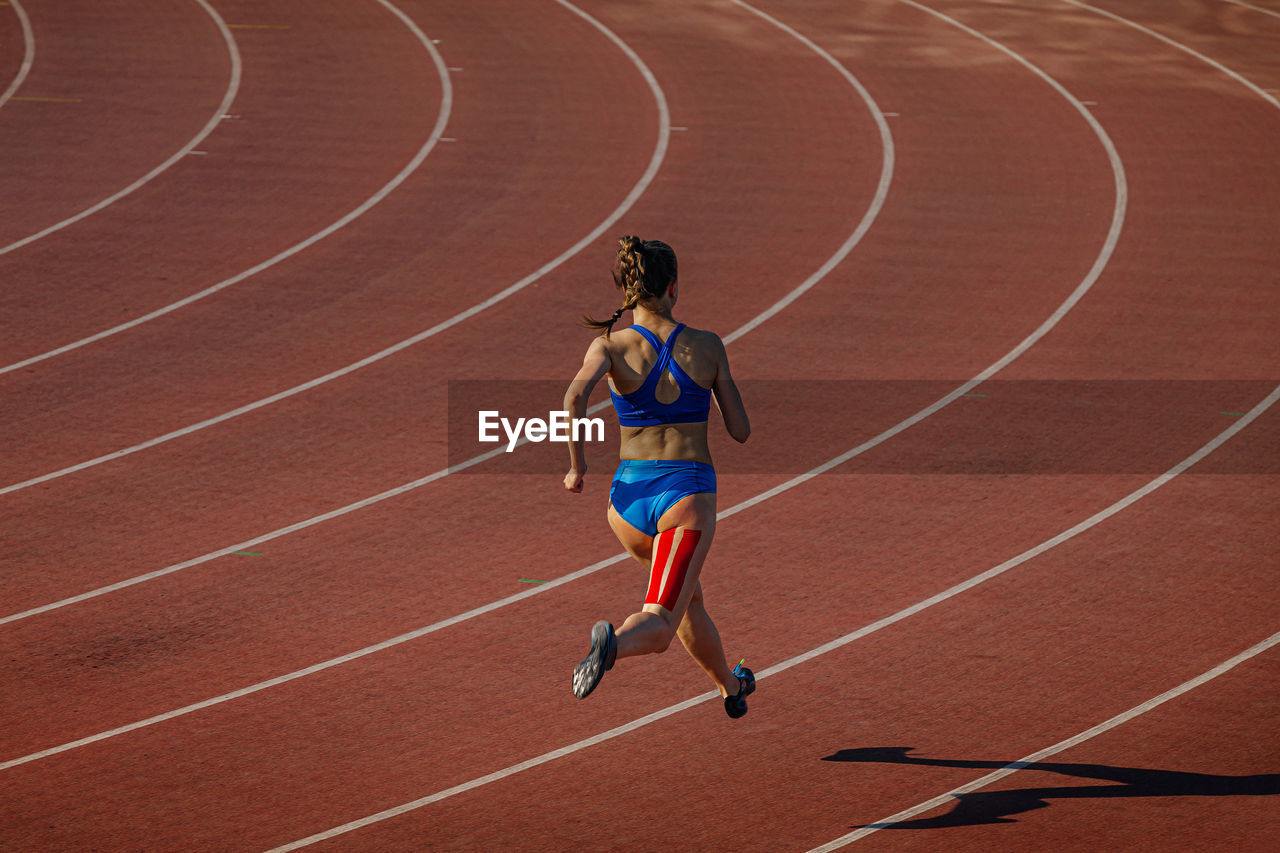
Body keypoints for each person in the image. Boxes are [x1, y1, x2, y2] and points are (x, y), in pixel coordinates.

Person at [562, 235, 754, 718]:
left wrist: (577, 467)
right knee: (661, 622)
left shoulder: (609, 345)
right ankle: (612, 645)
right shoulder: (707, 346)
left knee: (687, 599)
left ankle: (731, 688)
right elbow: (740, 430)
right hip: (684, 498)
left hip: (626, 504)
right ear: (674, 288)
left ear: (627, 290)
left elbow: (573, 399)